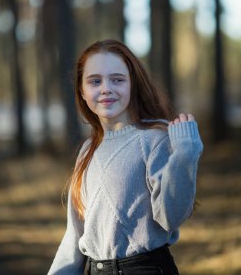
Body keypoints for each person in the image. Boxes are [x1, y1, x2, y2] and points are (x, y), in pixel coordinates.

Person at [48, 39, 203, 275]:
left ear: (133, 84)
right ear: (82, 90)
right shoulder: (87, 150)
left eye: (117, 79)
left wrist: (185, 154)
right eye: (95, 81)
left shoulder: (155, 138)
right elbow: (75, 237)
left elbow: (170, 218)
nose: (106, 88)